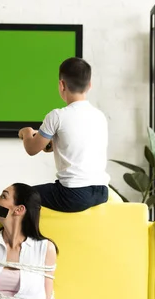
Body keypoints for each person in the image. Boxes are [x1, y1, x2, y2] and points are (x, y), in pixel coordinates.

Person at [18, 57, 110, 213]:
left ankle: (20, 237)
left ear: (62, 85)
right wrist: (53, 145)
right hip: (101, 191)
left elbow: (32, 149)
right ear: (89, 85)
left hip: (74, 194)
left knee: (17, 195)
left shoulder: (57, 116)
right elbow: (78, 145)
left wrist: (26, 133)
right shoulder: (99, 115)